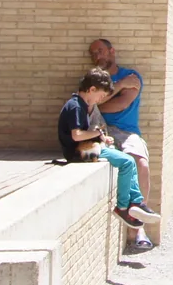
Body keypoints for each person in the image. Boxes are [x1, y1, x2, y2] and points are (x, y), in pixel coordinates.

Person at [59, 69, 160, 232]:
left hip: (87, 147)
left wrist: (101, 138)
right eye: (99, 96)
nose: (100, 100)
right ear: (91, 90)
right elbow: (77, 135)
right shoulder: (76, 106)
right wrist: (98, 134)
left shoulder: (82, 105)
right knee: (127, 162)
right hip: (78, 151)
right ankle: (122, 207)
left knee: (128, 160)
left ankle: (136, 202)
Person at [90, 38, 154, 249]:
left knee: (140, 162)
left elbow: (119, 105)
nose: (97, 56)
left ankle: (138, 225)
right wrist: (118, 86)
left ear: (112, 51)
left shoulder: (131, 76)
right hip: (100, 131)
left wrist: (104, 100)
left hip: (126, 132)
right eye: (93, 53)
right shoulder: (94, 78)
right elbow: (92, 103)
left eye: (101, 51)